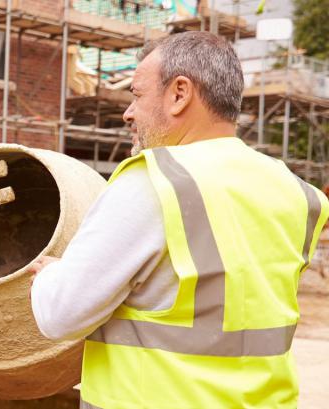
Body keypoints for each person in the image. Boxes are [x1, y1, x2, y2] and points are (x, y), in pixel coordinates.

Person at [28, 31, 329, 408]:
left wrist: (53, 275)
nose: (128, 113)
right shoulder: (297, 192)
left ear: (179, 93)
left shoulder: (155, 182)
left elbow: (60, 314)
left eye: (137, 94)